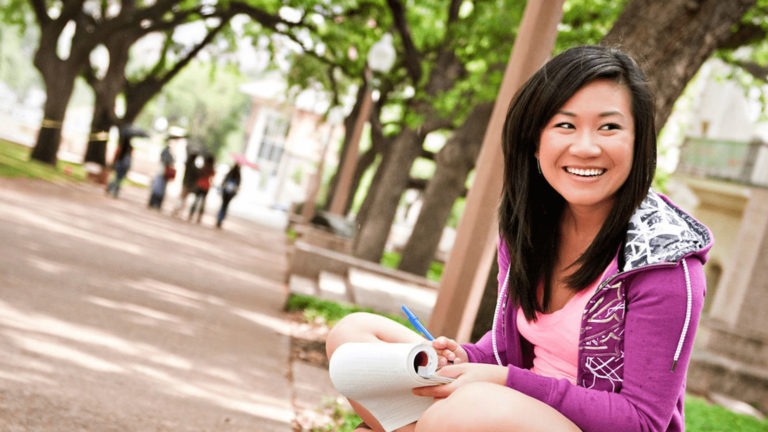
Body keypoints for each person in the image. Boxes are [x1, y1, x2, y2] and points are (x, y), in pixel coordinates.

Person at [325, 45, 713, 432]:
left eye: (609, 127)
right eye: (565, 125)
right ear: (535, 141)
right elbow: (508, 351)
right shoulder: (531, 227)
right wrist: (465, 357)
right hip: (505, 409)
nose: (586, 147)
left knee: (462, 412)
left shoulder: (667, 263)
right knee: (352, 337)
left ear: (639, 141)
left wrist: (504, 381)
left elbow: (642, 422)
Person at [148, 137, 177, 209]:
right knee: (158, 187)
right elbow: (166, 161)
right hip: (162, 172)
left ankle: (156, 203)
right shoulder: (166, 152)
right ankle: (154, 203)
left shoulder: (170, 152)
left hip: (164, 173)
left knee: (160, 188)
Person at [105, 126, 135, 198]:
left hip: (120, 163)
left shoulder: (121, 146)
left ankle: (111, 188)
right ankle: (115, 190)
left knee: (117, 177)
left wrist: (113, 162)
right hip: (124, 165)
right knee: (120, 178)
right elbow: (130, 157)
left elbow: (116, 155)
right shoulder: (130, 148)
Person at [188, 154, 215, 223]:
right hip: (206, 186)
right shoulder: (212, 169)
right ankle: (199, 217)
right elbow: (212, 179)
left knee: (196, 201)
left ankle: (191, 214)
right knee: (203, 202)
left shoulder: (203, 168)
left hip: (200, 185)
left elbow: (198, 175)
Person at [216, 163, 241, 228]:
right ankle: (221, 218)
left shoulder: (229, 173)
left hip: (225, 192)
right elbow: (238, 186)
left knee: (223, 205)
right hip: (231, 193)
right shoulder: (238, 176)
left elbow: (223, 182)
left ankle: (219, 218)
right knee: (225, 206)